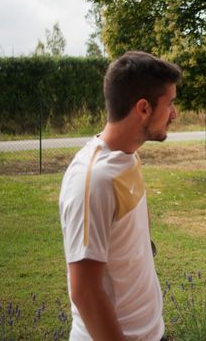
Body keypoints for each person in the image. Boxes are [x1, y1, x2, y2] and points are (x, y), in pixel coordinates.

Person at [59, 51, 181, 341]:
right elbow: (84, 291)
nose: (174, 114)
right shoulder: (93, 180)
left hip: (151, 332)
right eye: (170, 104)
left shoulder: (128, 157)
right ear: (143, 108)